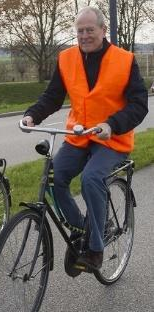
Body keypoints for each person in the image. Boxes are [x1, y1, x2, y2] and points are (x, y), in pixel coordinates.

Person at [22, 6, 148, 270]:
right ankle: (83, 229)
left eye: (90, 30)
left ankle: (95, 249)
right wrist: (33, 115)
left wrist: (112, 124)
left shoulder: (124, 60)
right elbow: (53, 96)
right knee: (53, 179)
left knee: (92, 178)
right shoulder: (66, 59)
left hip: (112, 140)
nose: (85, 35)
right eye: (80, 31)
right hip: (78, 137)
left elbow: (139, 104)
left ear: (103, 30)